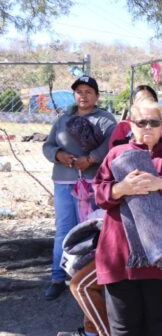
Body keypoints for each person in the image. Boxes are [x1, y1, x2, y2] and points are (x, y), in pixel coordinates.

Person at [93, 100, 162, 335]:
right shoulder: (116, 155)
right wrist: (121, 188)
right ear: (131, 124)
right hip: (122, 258)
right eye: (141, 122)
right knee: (124, 329)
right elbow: (99, 194)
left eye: (154, 122)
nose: (147, 127)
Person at [42, 75, 116, 300]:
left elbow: (111, 144)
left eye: (88, 91)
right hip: (65, 182)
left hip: (93, 182)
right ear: (74, 95)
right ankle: (57, 277)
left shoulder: (104, 119)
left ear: (96, 96)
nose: (83, 95)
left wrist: (91, 158)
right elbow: (48, 145)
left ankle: (91, 275)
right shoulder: (63, 120)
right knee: (64, 229)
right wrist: (58, 154)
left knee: (91, 229)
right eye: (79, 91)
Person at [109, 85, 162, 149]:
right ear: (133, 104)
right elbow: (114, 151)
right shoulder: (123, 126)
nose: (145, 102)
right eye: (140, 100)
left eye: (149, 99)